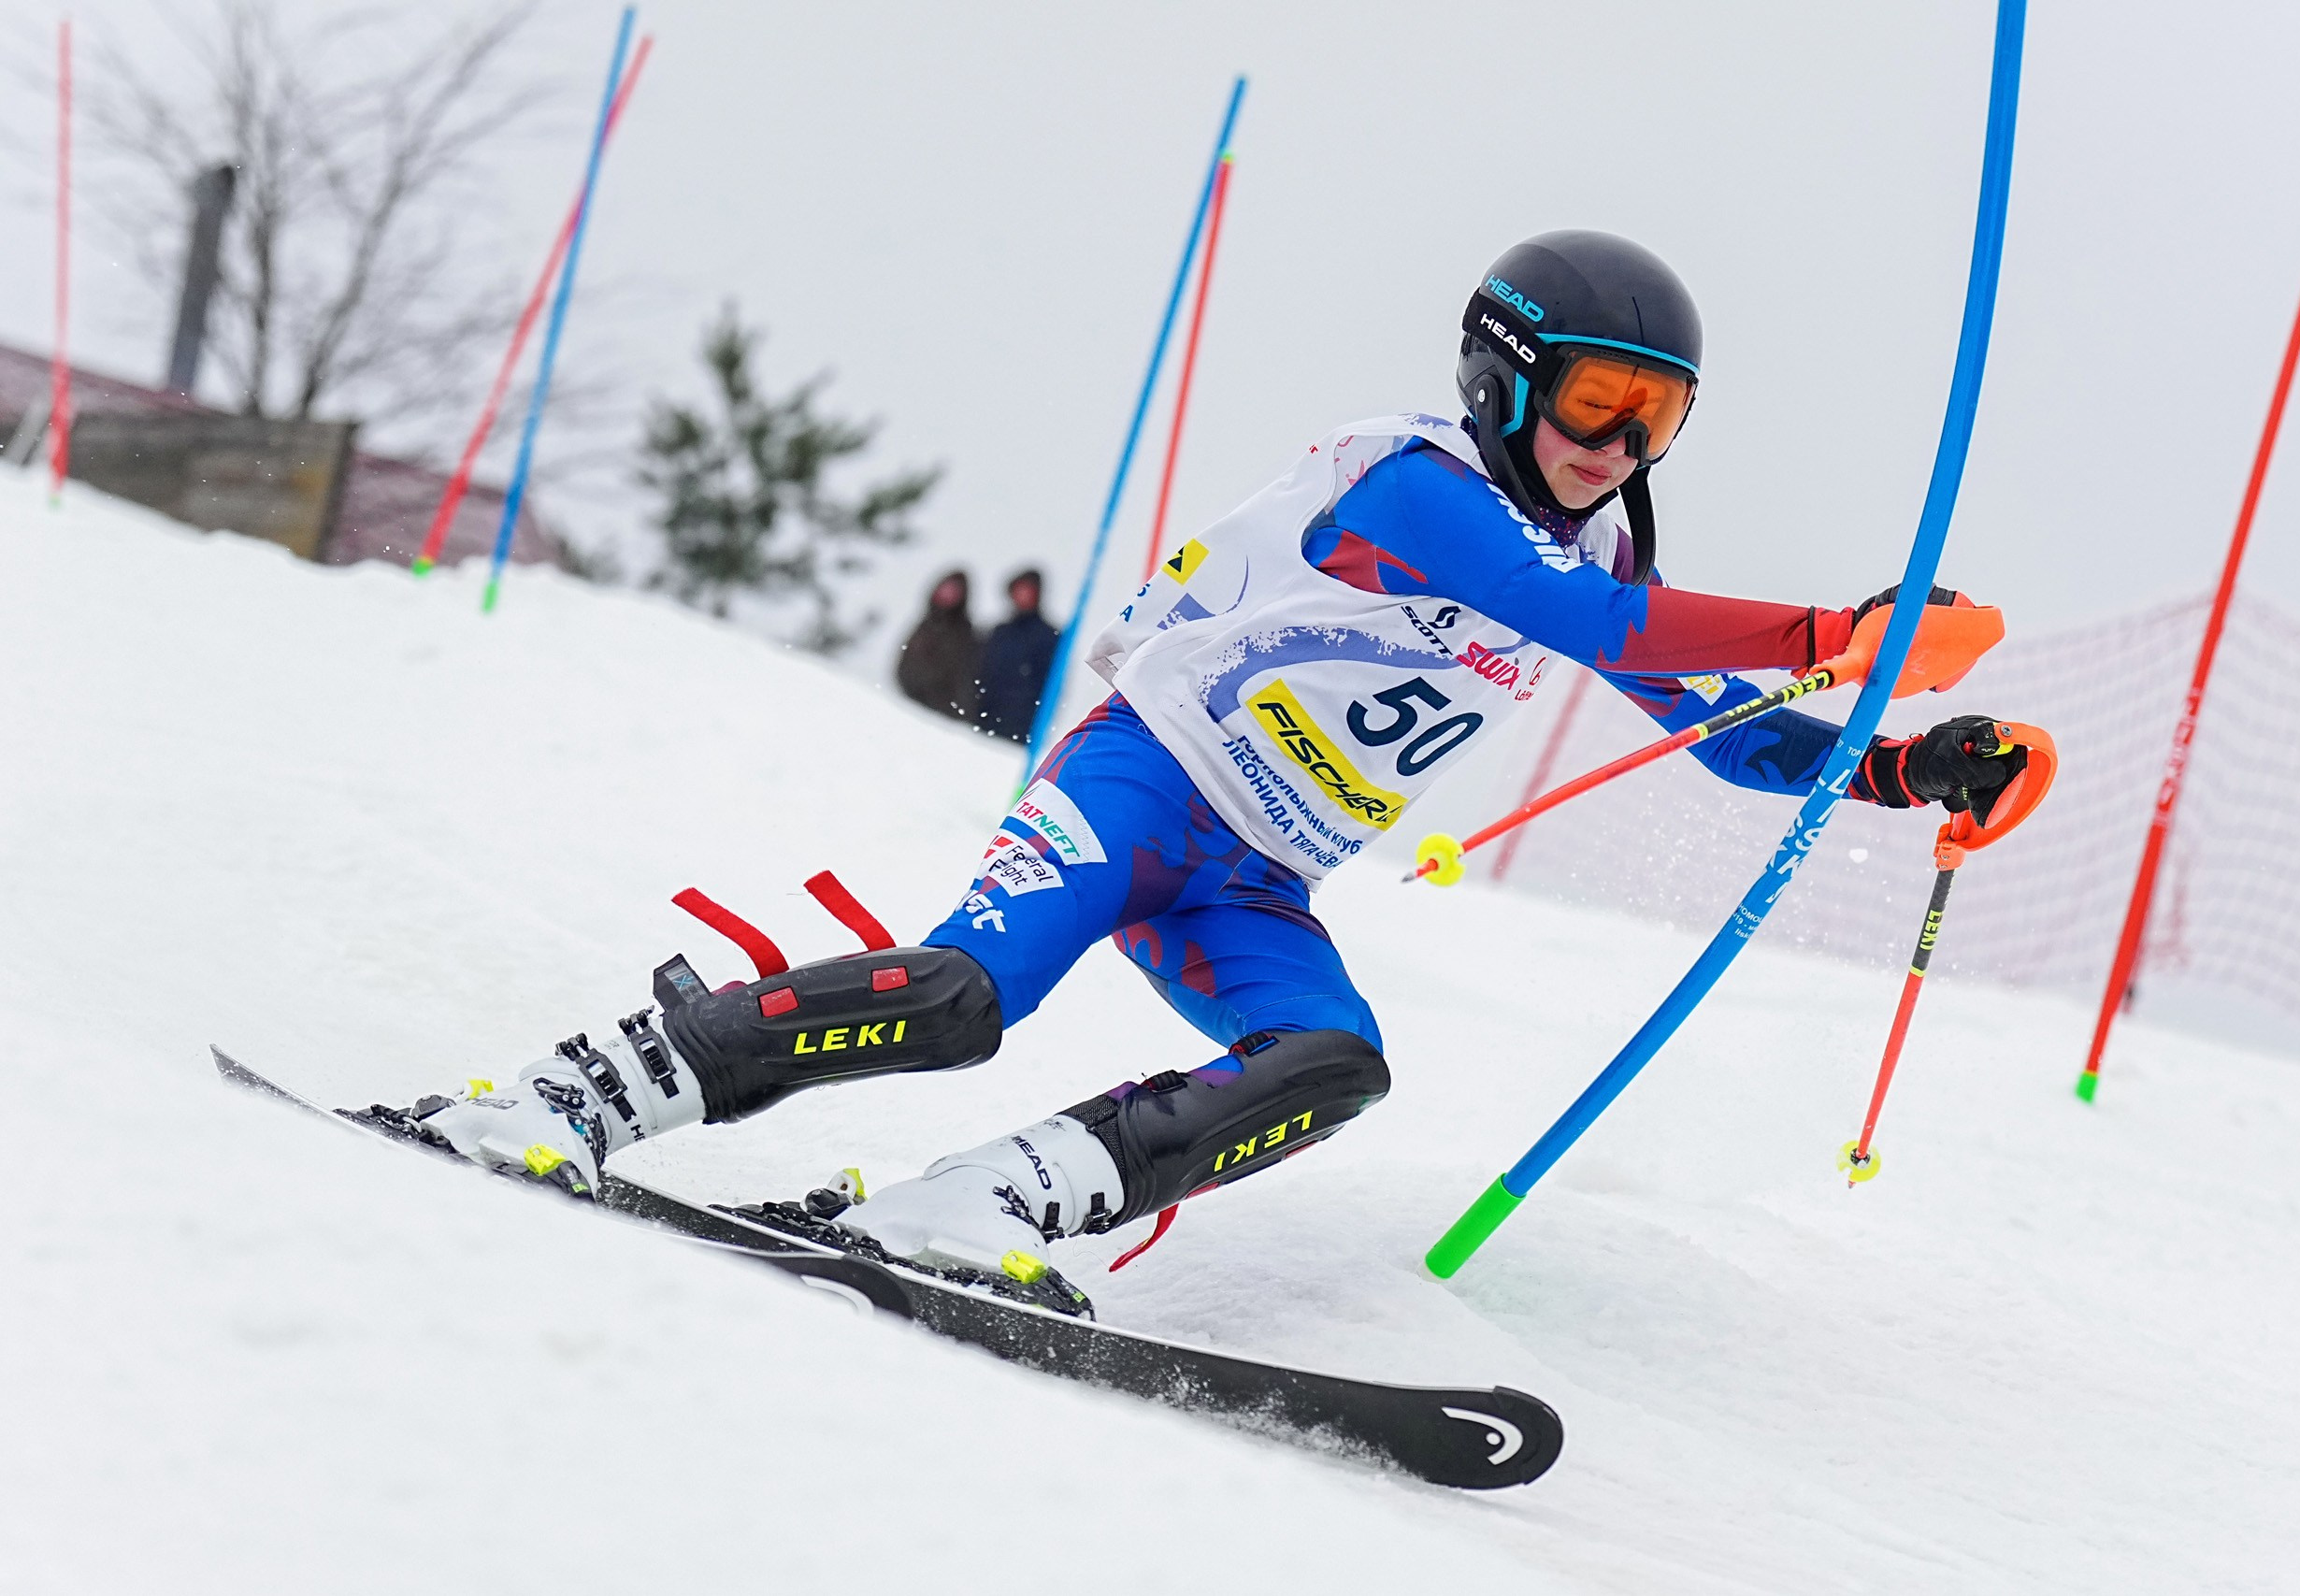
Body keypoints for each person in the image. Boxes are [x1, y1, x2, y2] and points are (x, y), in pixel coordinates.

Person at [399, 232, 2027, 1310]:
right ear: (1506, 373)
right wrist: (1840, 618)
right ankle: (568, 1093)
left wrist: (1899, 762)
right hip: (1143, 785)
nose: (1617, 441)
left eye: (1655, 412)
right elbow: (1576, 615)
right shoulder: (1418, 480)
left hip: (1256, 876)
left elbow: (1728, 731)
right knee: (965, 1000)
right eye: (1595, 396)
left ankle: (984, 1205)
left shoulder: (1598, 540)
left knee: (1331, 1060)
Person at [974, 568, 1058, 742]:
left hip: (1021, 728)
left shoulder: (1049, 636)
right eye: (1019, 590)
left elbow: (1049, 685)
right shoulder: (999, 631)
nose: (1023, 596)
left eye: (1028, 591)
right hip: (985, 720)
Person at [895, 569, 981, 722]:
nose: (948, 595)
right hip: (908, 704)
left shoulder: (963, 633)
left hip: (939, 716)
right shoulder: (925, 625)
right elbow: (905, 664)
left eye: (954, 592)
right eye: (946, 589)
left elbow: (961, 681)